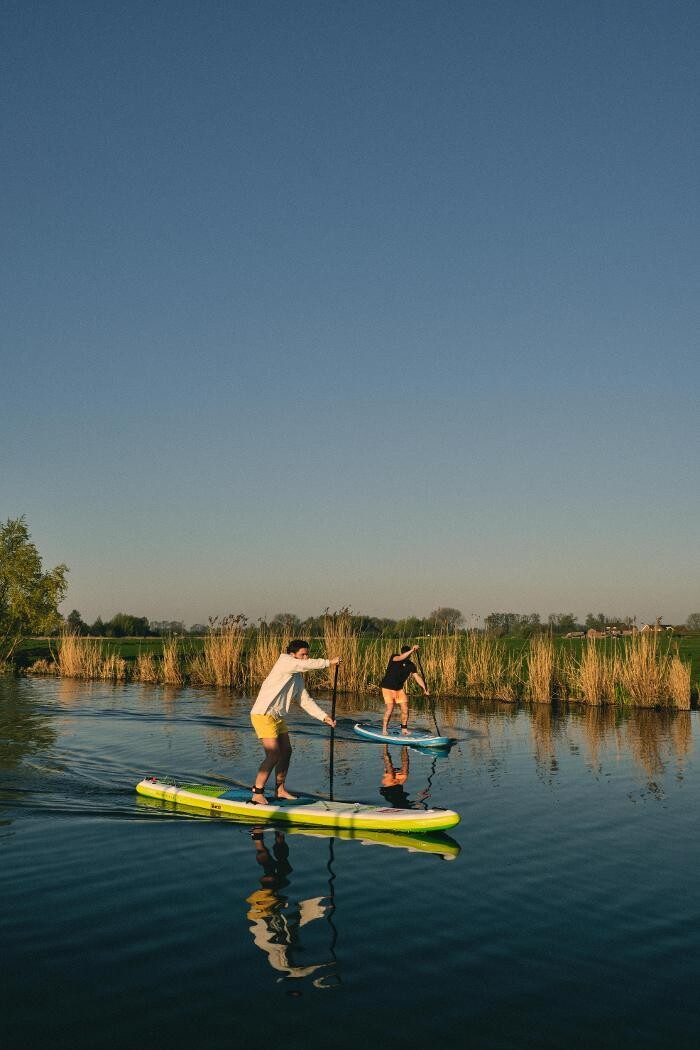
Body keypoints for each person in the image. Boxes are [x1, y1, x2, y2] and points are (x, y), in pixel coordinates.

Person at [250, 640, 339, 804]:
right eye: (302, 654)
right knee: (273, 753)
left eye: (307, 654)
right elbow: (306, 665)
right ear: (293, 655)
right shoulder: (285, 662)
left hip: (276, 716)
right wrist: (329, 662)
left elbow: (305, 701)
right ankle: (257, 793)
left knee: (286, 751)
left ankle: (280, 790)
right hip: (263, 714)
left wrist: (323, 716)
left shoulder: (297, 677)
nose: (305, 658)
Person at [379, 644, 429, 735]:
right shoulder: (394, 657)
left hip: (399, 689)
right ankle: (384, 729)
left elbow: (417, 677)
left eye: (409, 654)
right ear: (403, 653)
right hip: (387, 688)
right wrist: (412, 650)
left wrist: (425, 688)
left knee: (405, 709)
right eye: (407, 653)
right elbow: (401, 657)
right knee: (390, 708)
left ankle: (404, 730)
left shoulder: (411, 665)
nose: (408, 655)